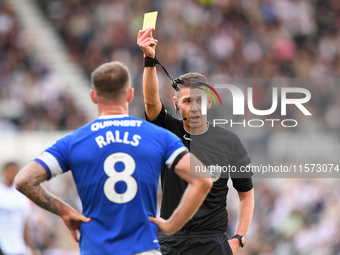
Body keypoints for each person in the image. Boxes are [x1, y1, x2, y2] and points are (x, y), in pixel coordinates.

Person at [14, 61, 212, 255]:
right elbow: (203, 180)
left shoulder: (74, 141)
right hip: (143, 247)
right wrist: (171, 225)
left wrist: (65, 211)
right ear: (130, 94)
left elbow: (24, 180)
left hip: (96, 249)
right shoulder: (157, 136)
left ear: (93, 96)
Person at [137, 27, 255, 255]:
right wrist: (150, 60)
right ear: (176, 103)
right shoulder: (167, 131)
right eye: (188, 100)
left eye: (200, 100)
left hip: (213, 243)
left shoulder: (229, 142)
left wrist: (239, 237)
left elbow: (246, 195)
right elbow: (151, 102)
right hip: (172, 243)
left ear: (209, 102)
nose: (194, 107)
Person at [0, 162, 37, 255]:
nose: (14, 174)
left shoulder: (22, 194)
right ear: (5, 172)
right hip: (2, 244)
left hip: (17, 246)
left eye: (16, 171)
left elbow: (24, 223)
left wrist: (30, 246)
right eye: (11, 171)